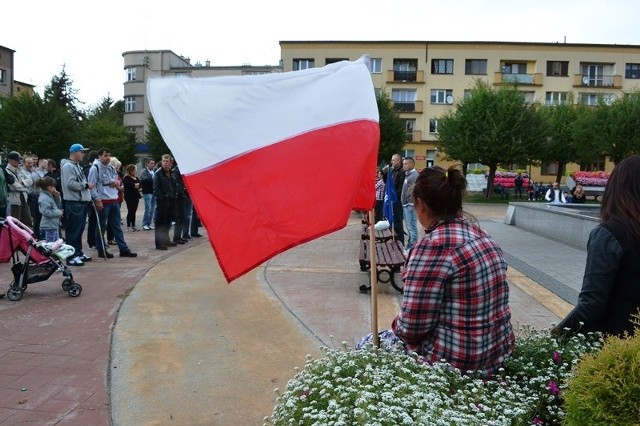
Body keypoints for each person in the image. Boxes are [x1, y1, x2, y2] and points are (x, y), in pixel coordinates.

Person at [357, 165, 514, 377]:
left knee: (365, 346)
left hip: (459, 363)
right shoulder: (482, 235)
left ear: (420, 204)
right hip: (496, 354)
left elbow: (411, 328)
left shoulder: (433, 247)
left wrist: (396, 326)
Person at [553, 155, 640, 337]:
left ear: (617, 188)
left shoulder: (610, 234)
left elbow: (591, 306)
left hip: (615, 350)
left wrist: (554, 338)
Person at [87, 148, 137, 259]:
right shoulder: (95, 168)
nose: (108, 157)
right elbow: (91, 185)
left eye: (109, 155)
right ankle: (101, 249)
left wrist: (116, 182)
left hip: (113, 198)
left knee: (116, 226)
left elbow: (118, 179)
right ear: (99, 156)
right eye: (105, 155)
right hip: (103, 200)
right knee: (101, 226)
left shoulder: (110, 167)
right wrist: (97, 199)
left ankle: (123, 249)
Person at [61, 143, 96, 266]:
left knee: (79, 230)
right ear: (74, 153)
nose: (83, 154)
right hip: (74, 202)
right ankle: (71, 256)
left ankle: (78, 252)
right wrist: (85, 186)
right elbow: (70, 183)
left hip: (81, 202)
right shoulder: (68, 166)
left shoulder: (77, 166)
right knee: (73, 231)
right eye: (81, 152)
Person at [153, 154, 177, 250]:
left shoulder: (171, 173)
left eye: (167, 161)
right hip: (162, 201)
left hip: (171, 200)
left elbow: (174, 186)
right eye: (164, 161)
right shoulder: (158, 174)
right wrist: (161, 199)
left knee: (168, 222)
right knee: (160, 223)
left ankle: (166, 240)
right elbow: (156, 188)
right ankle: (159, 243)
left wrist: (174, 197)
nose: (165, 163)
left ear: (171, 163)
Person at [5, 151, 33, 227]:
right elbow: (14, 186)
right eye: (16, 160)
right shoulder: (6, 171)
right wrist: (25, 187)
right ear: (10, 160)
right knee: (15, 221)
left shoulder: (20, 170)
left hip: (24, 198)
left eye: (19, 160)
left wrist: (23, 183)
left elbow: (30, 180)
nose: (19, 162)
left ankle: (28, 237)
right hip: (14, 200)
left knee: (28, 220)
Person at [37, 176, 63, 242]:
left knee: (55, 246)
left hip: (53, 225)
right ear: (49, 187)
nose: (55, 188)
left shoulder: (49, 196)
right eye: (53, 186)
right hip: (48, 227)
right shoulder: (44, 198)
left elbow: (58, 206)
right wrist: (59, 212)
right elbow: (46, 212)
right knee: (50, 247)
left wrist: (57, 197)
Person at [401, 157, 418, 251]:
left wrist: (409, 202)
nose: (404, 165)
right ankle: (409, 246)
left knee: (412, 227)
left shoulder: (414, 176)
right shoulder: (408, 175)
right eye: (403, 163)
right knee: (409, 227)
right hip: (406, 205)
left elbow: (413, 192)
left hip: (410, 205)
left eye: (406, 164)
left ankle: (412, 248)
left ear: (412, 164)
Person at [82, 151, 99, 248]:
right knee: (94, 220)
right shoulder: (91, 169)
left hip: (89, 197)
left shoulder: (85, 169)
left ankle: (92, 240)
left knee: (93, 220)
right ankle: (92, 241)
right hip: (91, 198)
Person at [390, 154, 405, 245]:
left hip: (397, 200)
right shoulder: (394, 171)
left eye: (393, 160)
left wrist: (394, 197)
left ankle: (401, 243)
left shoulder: (401, 172)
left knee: (398, 222)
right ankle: (395, 241)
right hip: (393, 200)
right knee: (394, 222)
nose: (392, 162)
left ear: (398, 161)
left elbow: (400, 187)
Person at [123, 164, 141, 231]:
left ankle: (133, 225)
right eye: (133, 170)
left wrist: (136, 185)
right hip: (129, 196)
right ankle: (128, 226)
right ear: (130, 170)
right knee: (130, 210)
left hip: (136, 196)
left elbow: (139, 184)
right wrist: (134, 185)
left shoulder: (136, 177)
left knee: (134, 211)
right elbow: (128, 185)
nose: (134, 171)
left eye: (135, 170)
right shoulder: (126, 177)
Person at [139, 158, 156, 231]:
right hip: (147, 192)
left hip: (153, 192)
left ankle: (149, 224)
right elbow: (145, 180)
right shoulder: (144, 172)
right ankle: (145, 224)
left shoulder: (154, 171)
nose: (153, 165)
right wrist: (153, 179)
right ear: (147, 164)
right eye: (151, 163)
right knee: (148, 208)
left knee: (152, 209)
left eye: (153, 163)